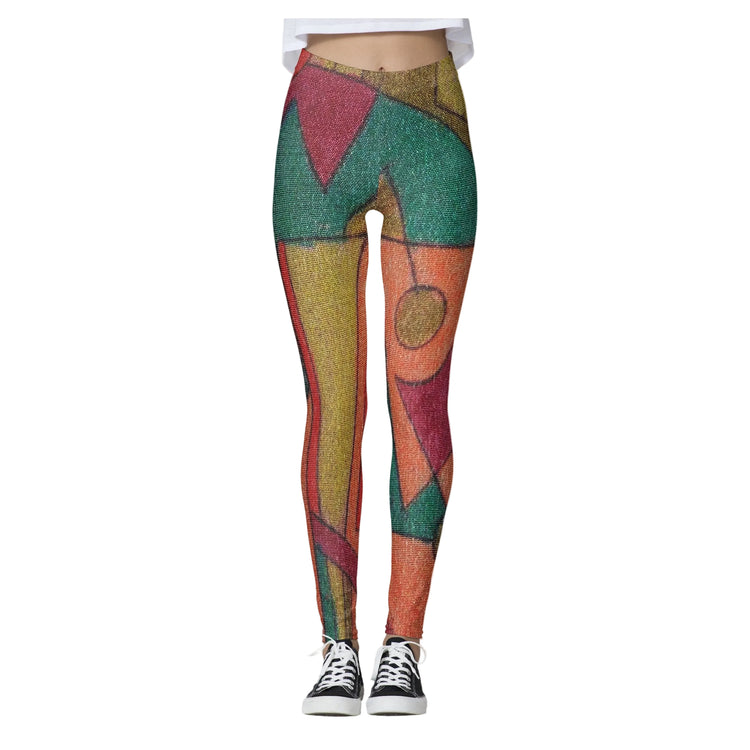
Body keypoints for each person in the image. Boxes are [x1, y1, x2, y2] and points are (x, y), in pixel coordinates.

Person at [271, 18, 477, 716]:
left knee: (420, 399)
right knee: (333, 404)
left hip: (432, 122)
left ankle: (403, 647)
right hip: (319, 111)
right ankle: (339, 646)